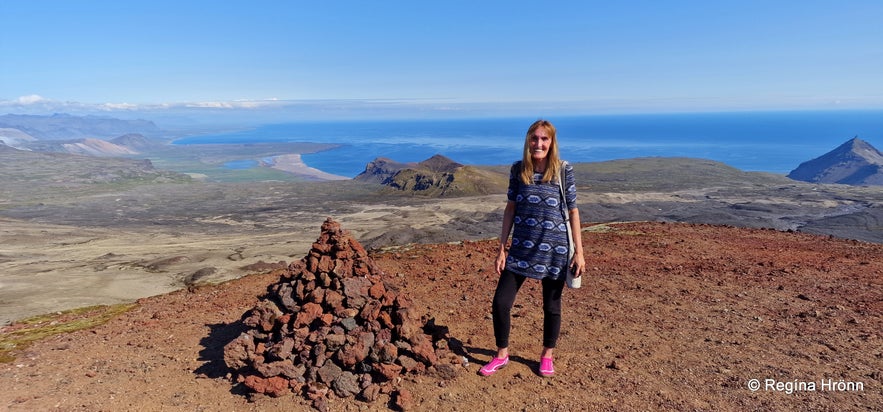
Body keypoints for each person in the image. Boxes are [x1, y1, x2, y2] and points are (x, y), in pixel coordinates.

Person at [479, 119, 585, 377]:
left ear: (552, 143)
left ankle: (547, 355)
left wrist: (580, 253)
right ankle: (502, 354)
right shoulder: (518, 170)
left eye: (544, 139)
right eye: (534, 138)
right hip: (521, 249)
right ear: (528, 141)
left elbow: (572, 210)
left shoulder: (562, 169)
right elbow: (510, 209)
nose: (539, 143)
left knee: (551, 306)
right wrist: (501, 248)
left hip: (554, 250)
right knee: (501, 302)